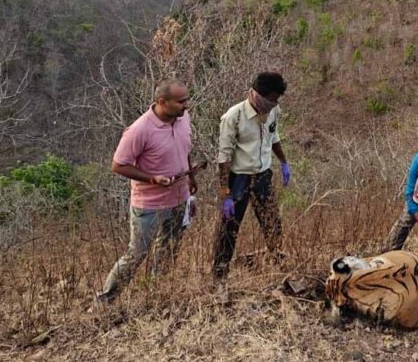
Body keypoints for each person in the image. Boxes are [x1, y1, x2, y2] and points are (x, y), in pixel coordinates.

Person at [95, 79, 196, 304]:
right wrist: (152, 178)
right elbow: (118, 165)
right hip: (149, 204)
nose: (186, 105)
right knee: (137, 253)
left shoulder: (183, 118)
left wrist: (191, 176)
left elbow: (184, 148)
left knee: (169, 247)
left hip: (179, 197)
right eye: (181, 101)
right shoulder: (139, 130)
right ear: (162, 102)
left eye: (186, 100)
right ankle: (105, 300)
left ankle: (158, 292)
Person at [213, 71, 291, 279]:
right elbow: (224, 156)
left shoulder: (273, 111)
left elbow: (273, 136)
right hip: (239, 178)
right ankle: (220, 274)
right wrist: (225, 193)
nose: (275, 103)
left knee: (272, 222)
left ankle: (278, 264)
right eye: (272, 99)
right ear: (259, 95)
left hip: (263, 175)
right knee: (229, 228)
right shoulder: (234, 116)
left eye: (277, 99)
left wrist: (283, 161)